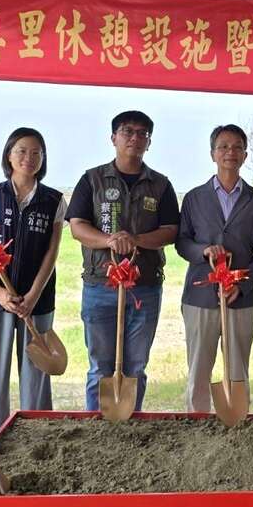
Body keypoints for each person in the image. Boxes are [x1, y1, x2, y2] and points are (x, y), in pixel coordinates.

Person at [66, 110, 179, 411]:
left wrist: (135, 240)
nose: (134, 138)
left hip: (145, 287)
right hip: (100, 285)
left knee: (136, 366)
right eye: (127, 131)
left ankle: (130, 425)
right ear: (113, 138)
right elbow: (77, 226)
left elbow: (171, 230)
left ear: (149, 142)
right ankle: (96, 425)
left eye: (142, 133)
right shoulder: (92, 180)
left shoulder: (161, 185)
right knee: (100, 367)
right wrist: (110, 241)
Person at [176, 124, 253, 412]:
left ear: (245, 155)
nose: (230, 152)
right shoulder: (194, 198)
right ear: (213, 154)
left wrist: (242, 286)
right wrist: (203, 251)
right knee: (199, 367)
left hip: (240, 299)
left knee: (237, 367)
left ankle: (237, 419)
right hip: (200, 297)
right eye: (223, 147)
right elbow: (182, 242)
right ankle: (198, 419)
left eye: (237, 147)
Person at [0, 127, 66, 440]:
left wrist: (34, 294)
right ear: (9, 155)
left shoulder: (54, 200)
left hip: (37, 301)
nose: (29, 158)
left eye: (36, 152)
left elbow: (52, 252)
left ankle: (38, 436)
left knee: (36, 372)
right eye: (22, 151)